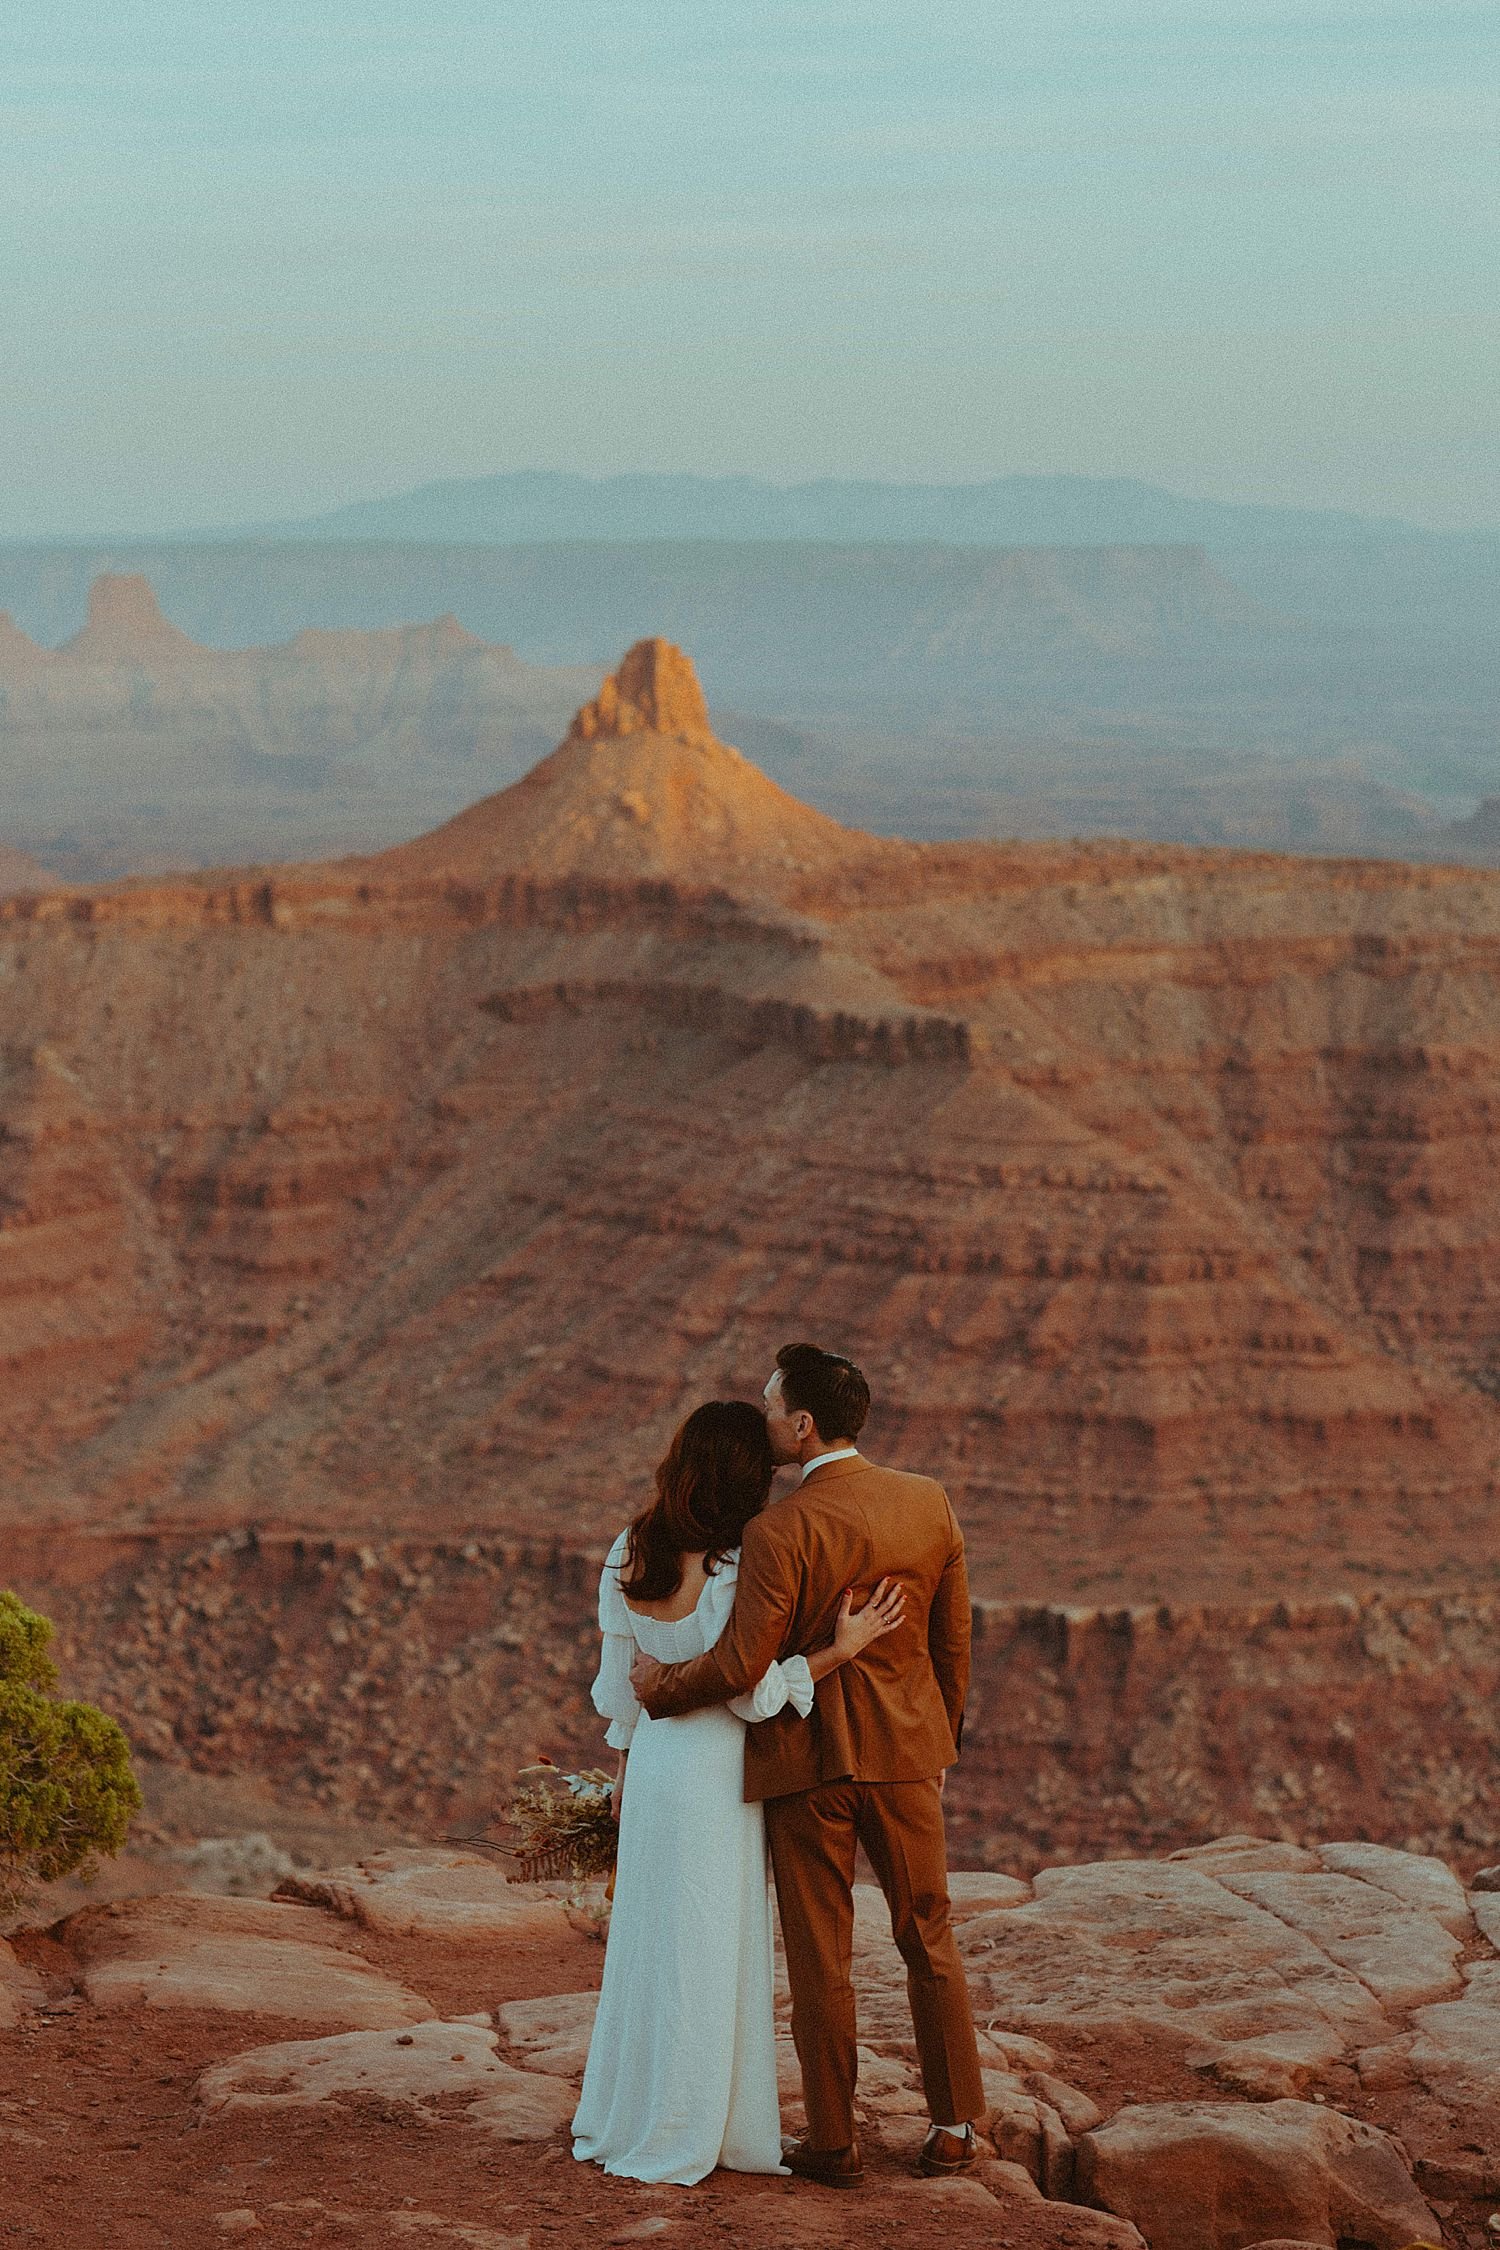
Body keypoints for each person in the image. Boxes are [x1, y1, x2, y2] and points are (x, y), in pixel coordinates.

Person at [631, 1342, 985, 2190]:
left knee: (820, 1954)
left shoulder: (778, 1529)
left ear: (802, 1424)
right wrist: (944, 1743)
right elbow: (954, 1638)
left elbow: (744, 1663)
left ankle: (835, 2140)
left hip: (807, 1764)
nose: (762, 1418)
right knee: (926, 1932)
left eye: (768, 1404)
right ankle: (955, 2126)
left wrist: (661, 1688)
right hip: (906, 1757)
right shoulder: (926, 1502)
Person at [572, 1397, 905, 2187]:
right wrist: (839, 1650)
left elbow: (622, 1691)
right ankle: (698, 2126)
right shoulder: (737, 1563)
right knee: (710, 1945)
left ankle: (635, 2113)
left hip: (654, 1767)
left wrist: (622, 1774)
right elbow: (749, 1694)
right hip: (720, 1770)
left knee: (651, 1943)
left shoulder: (630, 1547)